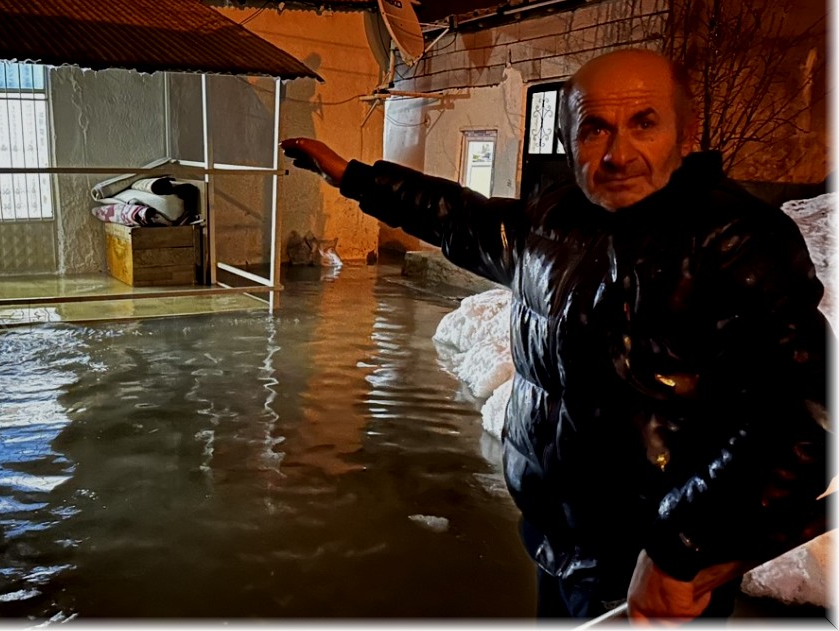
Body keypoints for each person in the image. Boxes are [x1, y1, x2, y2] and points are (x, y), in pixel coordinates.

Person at [282, 48, 831, 623]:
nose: (618, 154)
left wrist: (680, 549)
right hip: (558, 539)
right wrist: (354, 177)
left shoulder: (733, 241)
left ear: (685, 132)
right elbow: (459, 218)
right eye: (595, 128)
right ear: (569, 140)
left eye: (644, 122)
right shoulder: (556, 221)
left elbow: (803, 418)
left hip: (652, 570)